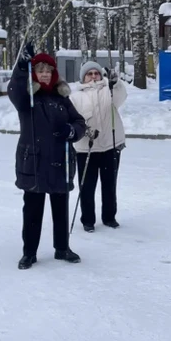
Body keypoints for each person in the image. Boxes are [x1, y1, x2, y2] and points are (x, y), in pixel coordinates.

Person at [8, 43, 89, 269]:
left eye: (48, 70)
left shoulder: (61, 97)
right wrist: (21, 66)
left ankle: (62, 248)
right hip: (34, 161)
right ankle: (29, 253)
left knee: (60, 208)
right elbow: (14, 89)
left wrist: (71, 131)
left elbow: (79, 122)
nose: (44, 74)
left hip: (60, 161)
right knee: (32, 210)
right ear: (34, 73)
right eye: (40, 70)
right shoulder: (26, 97)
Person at [69, 60, 127, 232]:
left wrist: (116, 83)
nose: (93, 76)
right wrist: (84, 131)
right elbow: (73, 119)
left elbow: (121, 97)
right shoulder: (75, 97)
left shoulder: (108, 90)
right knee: (87, 186)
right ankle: (88, 220)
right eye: (89, 74)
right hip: (86, 148)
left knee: (109, 185)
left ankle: (109, 217)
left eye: (96, 73)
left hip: (110, 145)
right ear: (83, 77)